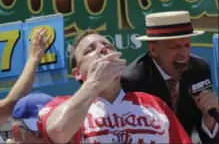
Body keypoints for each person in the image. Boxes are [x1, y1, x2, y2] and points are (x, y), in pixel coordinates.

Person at [36, 29, 192, 143]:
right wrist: (94, 83)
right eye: (90, 50)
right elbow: (58, 131)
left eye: (108, 46)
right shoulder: (62, 105)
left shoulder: (154, 105)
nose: (102, 49)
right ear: (77, 73)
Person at [121, 11, 219, 143]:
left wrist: (209, 115)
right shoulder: (132, 81)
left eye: (187, 45)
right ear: (154, 50)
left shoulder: (198, 68)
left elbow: (210, 140)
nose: (184, 54)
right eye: (175, 47)